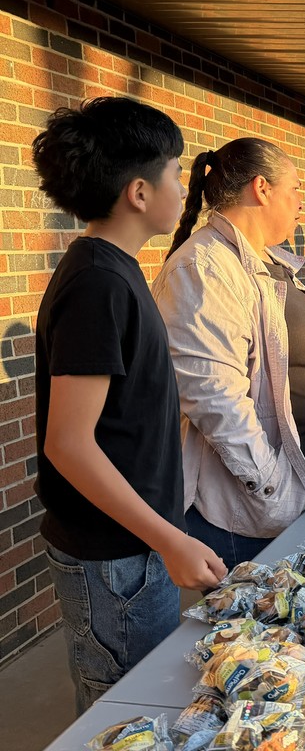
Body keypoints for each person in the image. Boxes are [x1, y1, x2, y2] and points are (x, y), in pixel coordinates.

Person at [31, 97, 227, 714]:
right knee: (127, 718)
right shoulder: (98, 284)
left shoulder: (118, 272)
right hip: (114, 562)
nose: (180, 186)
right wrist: (169, 539)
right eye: (174, 172)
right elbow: (68, 443)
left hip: (135, 552)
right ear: (139, 192)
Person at [152, 138, 305, 567]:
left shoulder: (267, 261)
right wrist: (273, 489)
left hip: (303, 493)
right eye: (295, 188)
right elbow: (214, 397)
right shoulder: (204, 268)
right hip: (253, 518)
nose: (301, 203)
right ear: (262, 188)